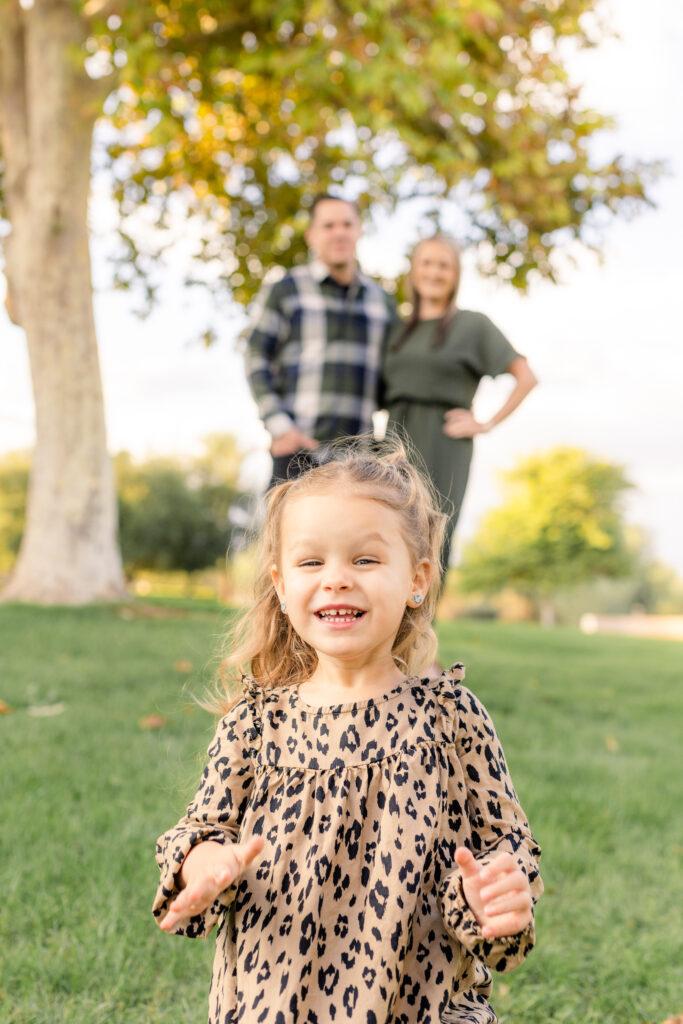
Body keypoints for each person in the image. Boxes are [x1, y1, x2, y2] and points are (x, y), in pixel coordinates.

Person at [153, 440, 543, 1024]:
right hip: (273, 1003)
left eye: (364, 560)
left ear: (417, 580)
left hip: (421, 1005)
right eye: (312, 563)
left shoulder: (452, 717)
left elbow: (504, 846)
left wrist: (500, 897)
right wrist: (207, 863)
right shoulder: (256, 725)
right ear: (282, 588)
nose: (336, 580)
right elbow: (202, 829)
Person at [381, 233, 538, 574]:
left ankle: (425, 627)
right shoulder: (395, 329)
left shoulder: (473, 325)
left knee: (433, 537)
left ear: (456, 275)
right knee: (386, 532)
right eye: (426, 263)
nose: (434, 273)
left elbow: (526, 377)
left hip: (444, 443)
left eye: (444, 265)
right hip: (394, 440)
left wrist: (485, 423)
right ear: (413, 270)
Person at [244, 194, 396, 486]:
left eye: (347, 224)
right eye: (328, 225)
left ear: (358, 230)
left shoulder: (381, 301)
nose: (339, 232)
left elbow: (397, 375)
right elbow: (255, 357)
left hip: (359, 464)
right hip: (297, 454)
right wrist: (280, 427)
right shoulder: (286, 291)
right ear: (312, 236)